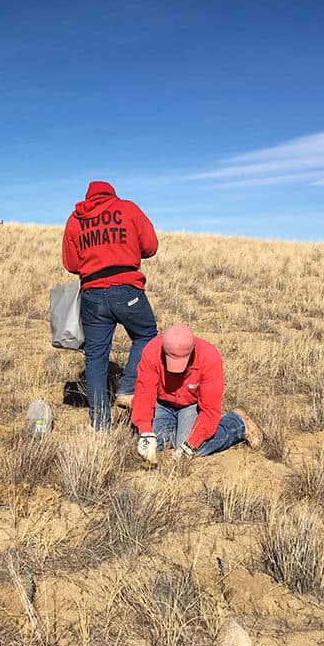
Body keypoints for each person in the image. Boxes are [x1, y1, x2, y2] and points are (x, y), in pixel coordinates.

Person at [62, 180, 159, 429]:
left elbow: (71, 264)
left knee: (95, 357)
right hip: (127, 288)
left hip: (92, 293)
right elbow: (150, 246)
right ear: (112, 193)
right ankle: (127, 388)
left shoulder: (75, 219)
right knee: (146, 334)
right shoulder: (127, 208)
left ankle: (100, 425)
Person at [131, 323, 263, 461]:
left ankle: (237, 423)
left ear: (193, 350)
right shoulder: (152, 351)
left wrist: (191, 444)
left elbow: (210, 409)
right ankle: (180, 431)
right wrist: (145, 431)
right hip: (163, 404)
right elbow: (144, 395)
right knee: (154, 445)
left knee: (191, 450)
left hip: (191, 405)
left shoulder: (209, 357)